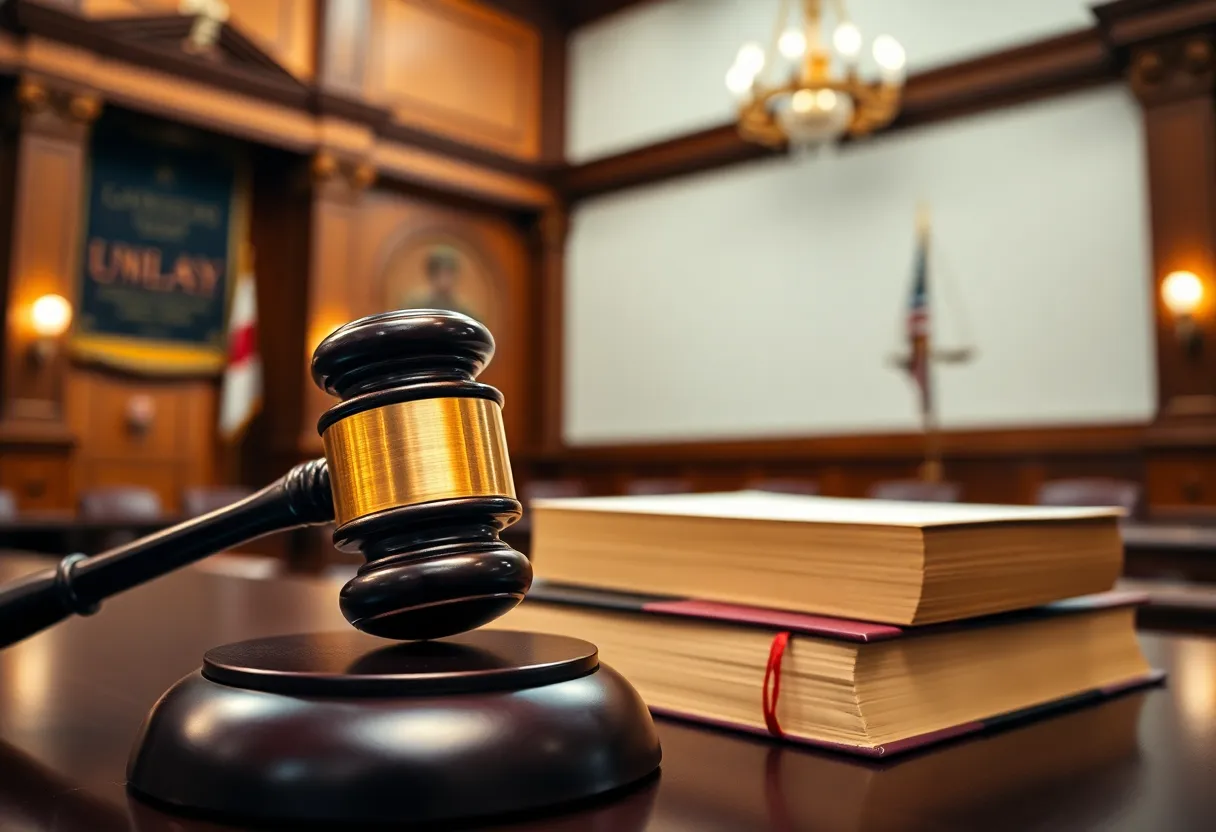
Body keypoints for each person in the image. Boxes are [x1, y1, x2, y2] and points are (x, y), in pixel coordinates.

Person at [403, 246, 476, 319]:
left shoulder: (464, 311)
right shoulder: (414, 306)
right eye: (440, 274)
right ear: (431, 275)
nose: (445, 280)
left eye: (449, 274)